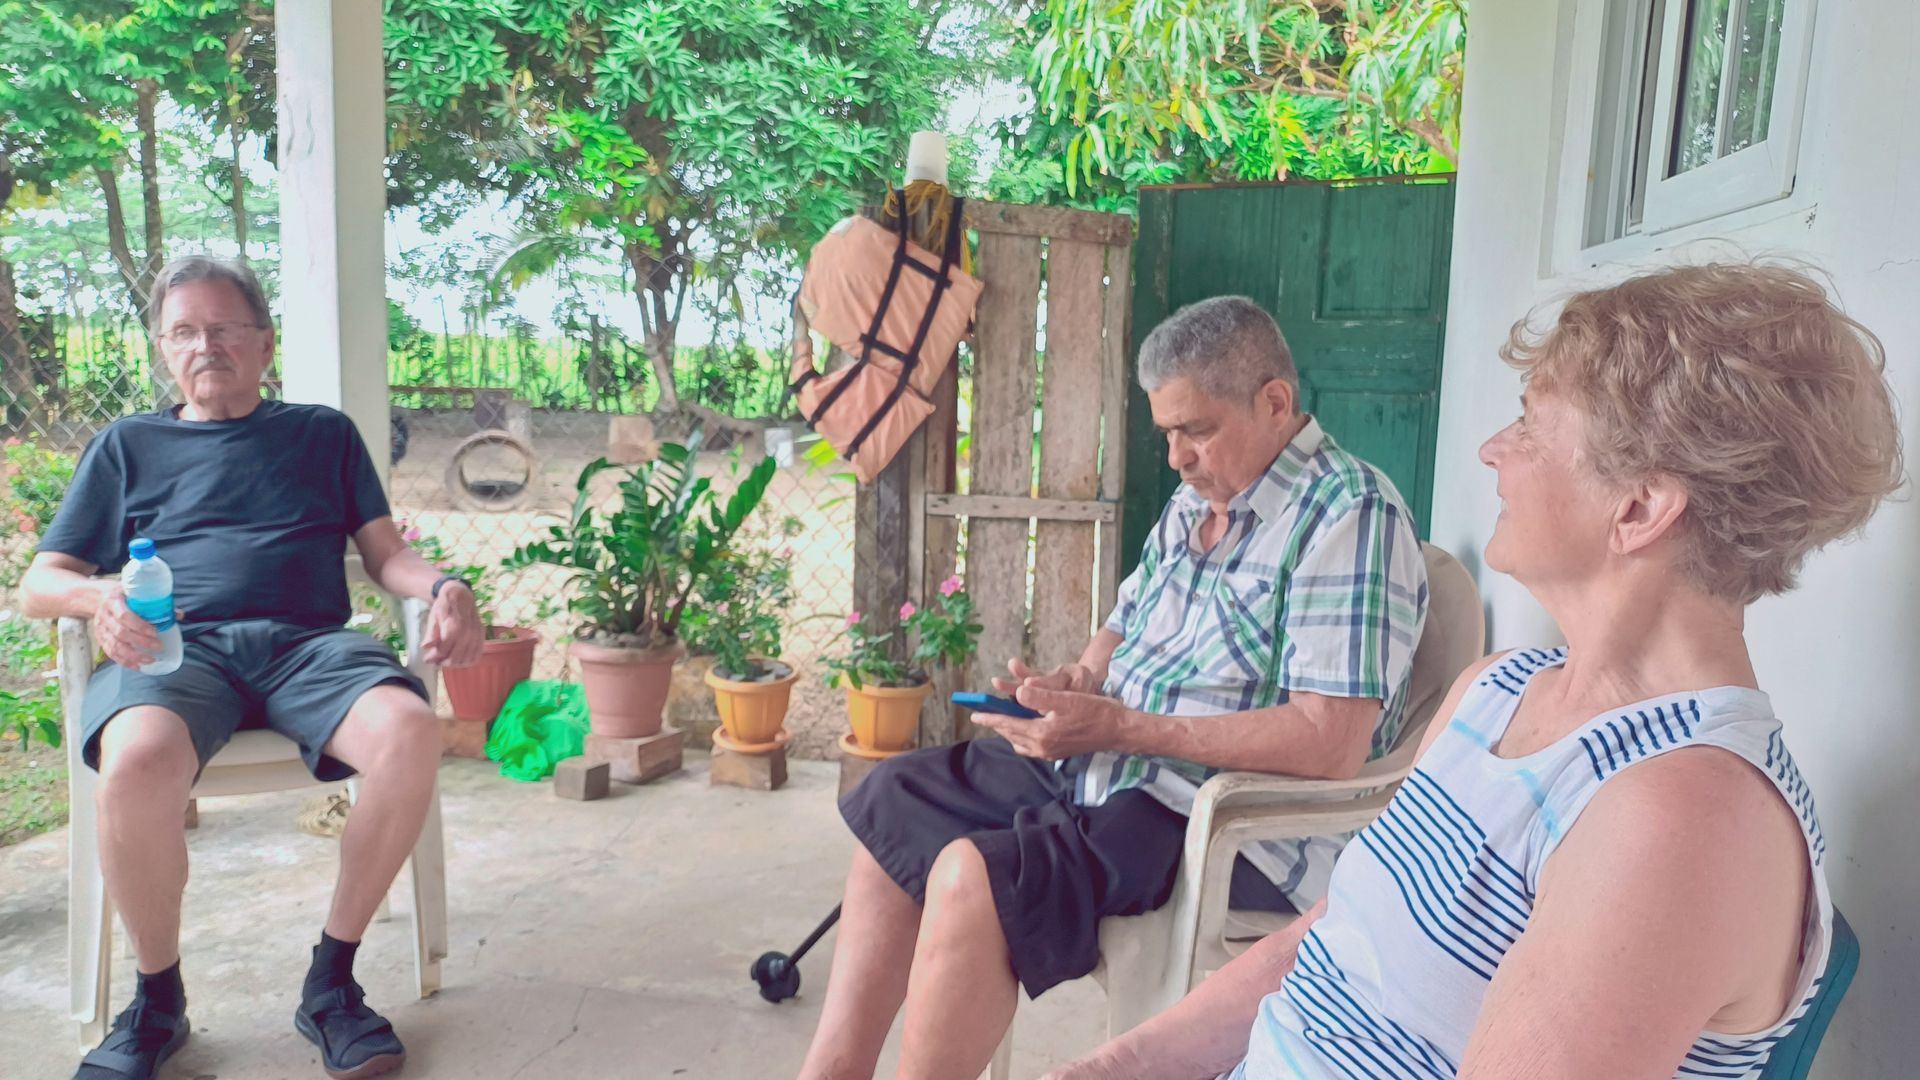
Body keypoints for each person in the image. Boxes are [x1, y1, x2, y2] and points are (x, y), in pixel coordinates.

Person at [1044, 262, 1904, 1079]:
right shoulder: (1496, 691)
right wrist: (1112, 1065)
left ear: (1639, 508)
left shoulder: (1682, 818)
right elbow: (1334, 937)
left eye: (1531, 422)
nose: (1493, 449)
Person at [798, 296, 1430, 1079]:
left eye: (1196, 430)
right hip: (1109, 766)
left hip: (1208, 809)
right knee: (895, 802)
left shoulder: (1349, 514)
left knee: (972, 876)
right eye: (1166, 433)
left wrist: (1122, 728)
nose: (1177, 458)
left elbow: (1329, 742)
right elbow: (1123, 625)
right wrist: (1081, 681)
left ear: (1275, 403)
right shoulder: (1193, 505)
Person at [18, 256, 486, 1080]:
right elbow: (39, 583)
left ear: (264, 342)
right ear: (164, 349)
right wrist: (98, 601)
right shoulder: (128, 444)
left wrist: (445, 586)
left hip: (307, 647)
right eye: (185, 331)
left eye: (226, 328)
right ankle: (157, 1001)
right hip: (177, 649)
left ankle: (331, 985)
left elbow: (386, 554)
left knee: (410, 728)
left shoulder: (322, 433)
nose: (207, 346)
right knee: (134, 763)